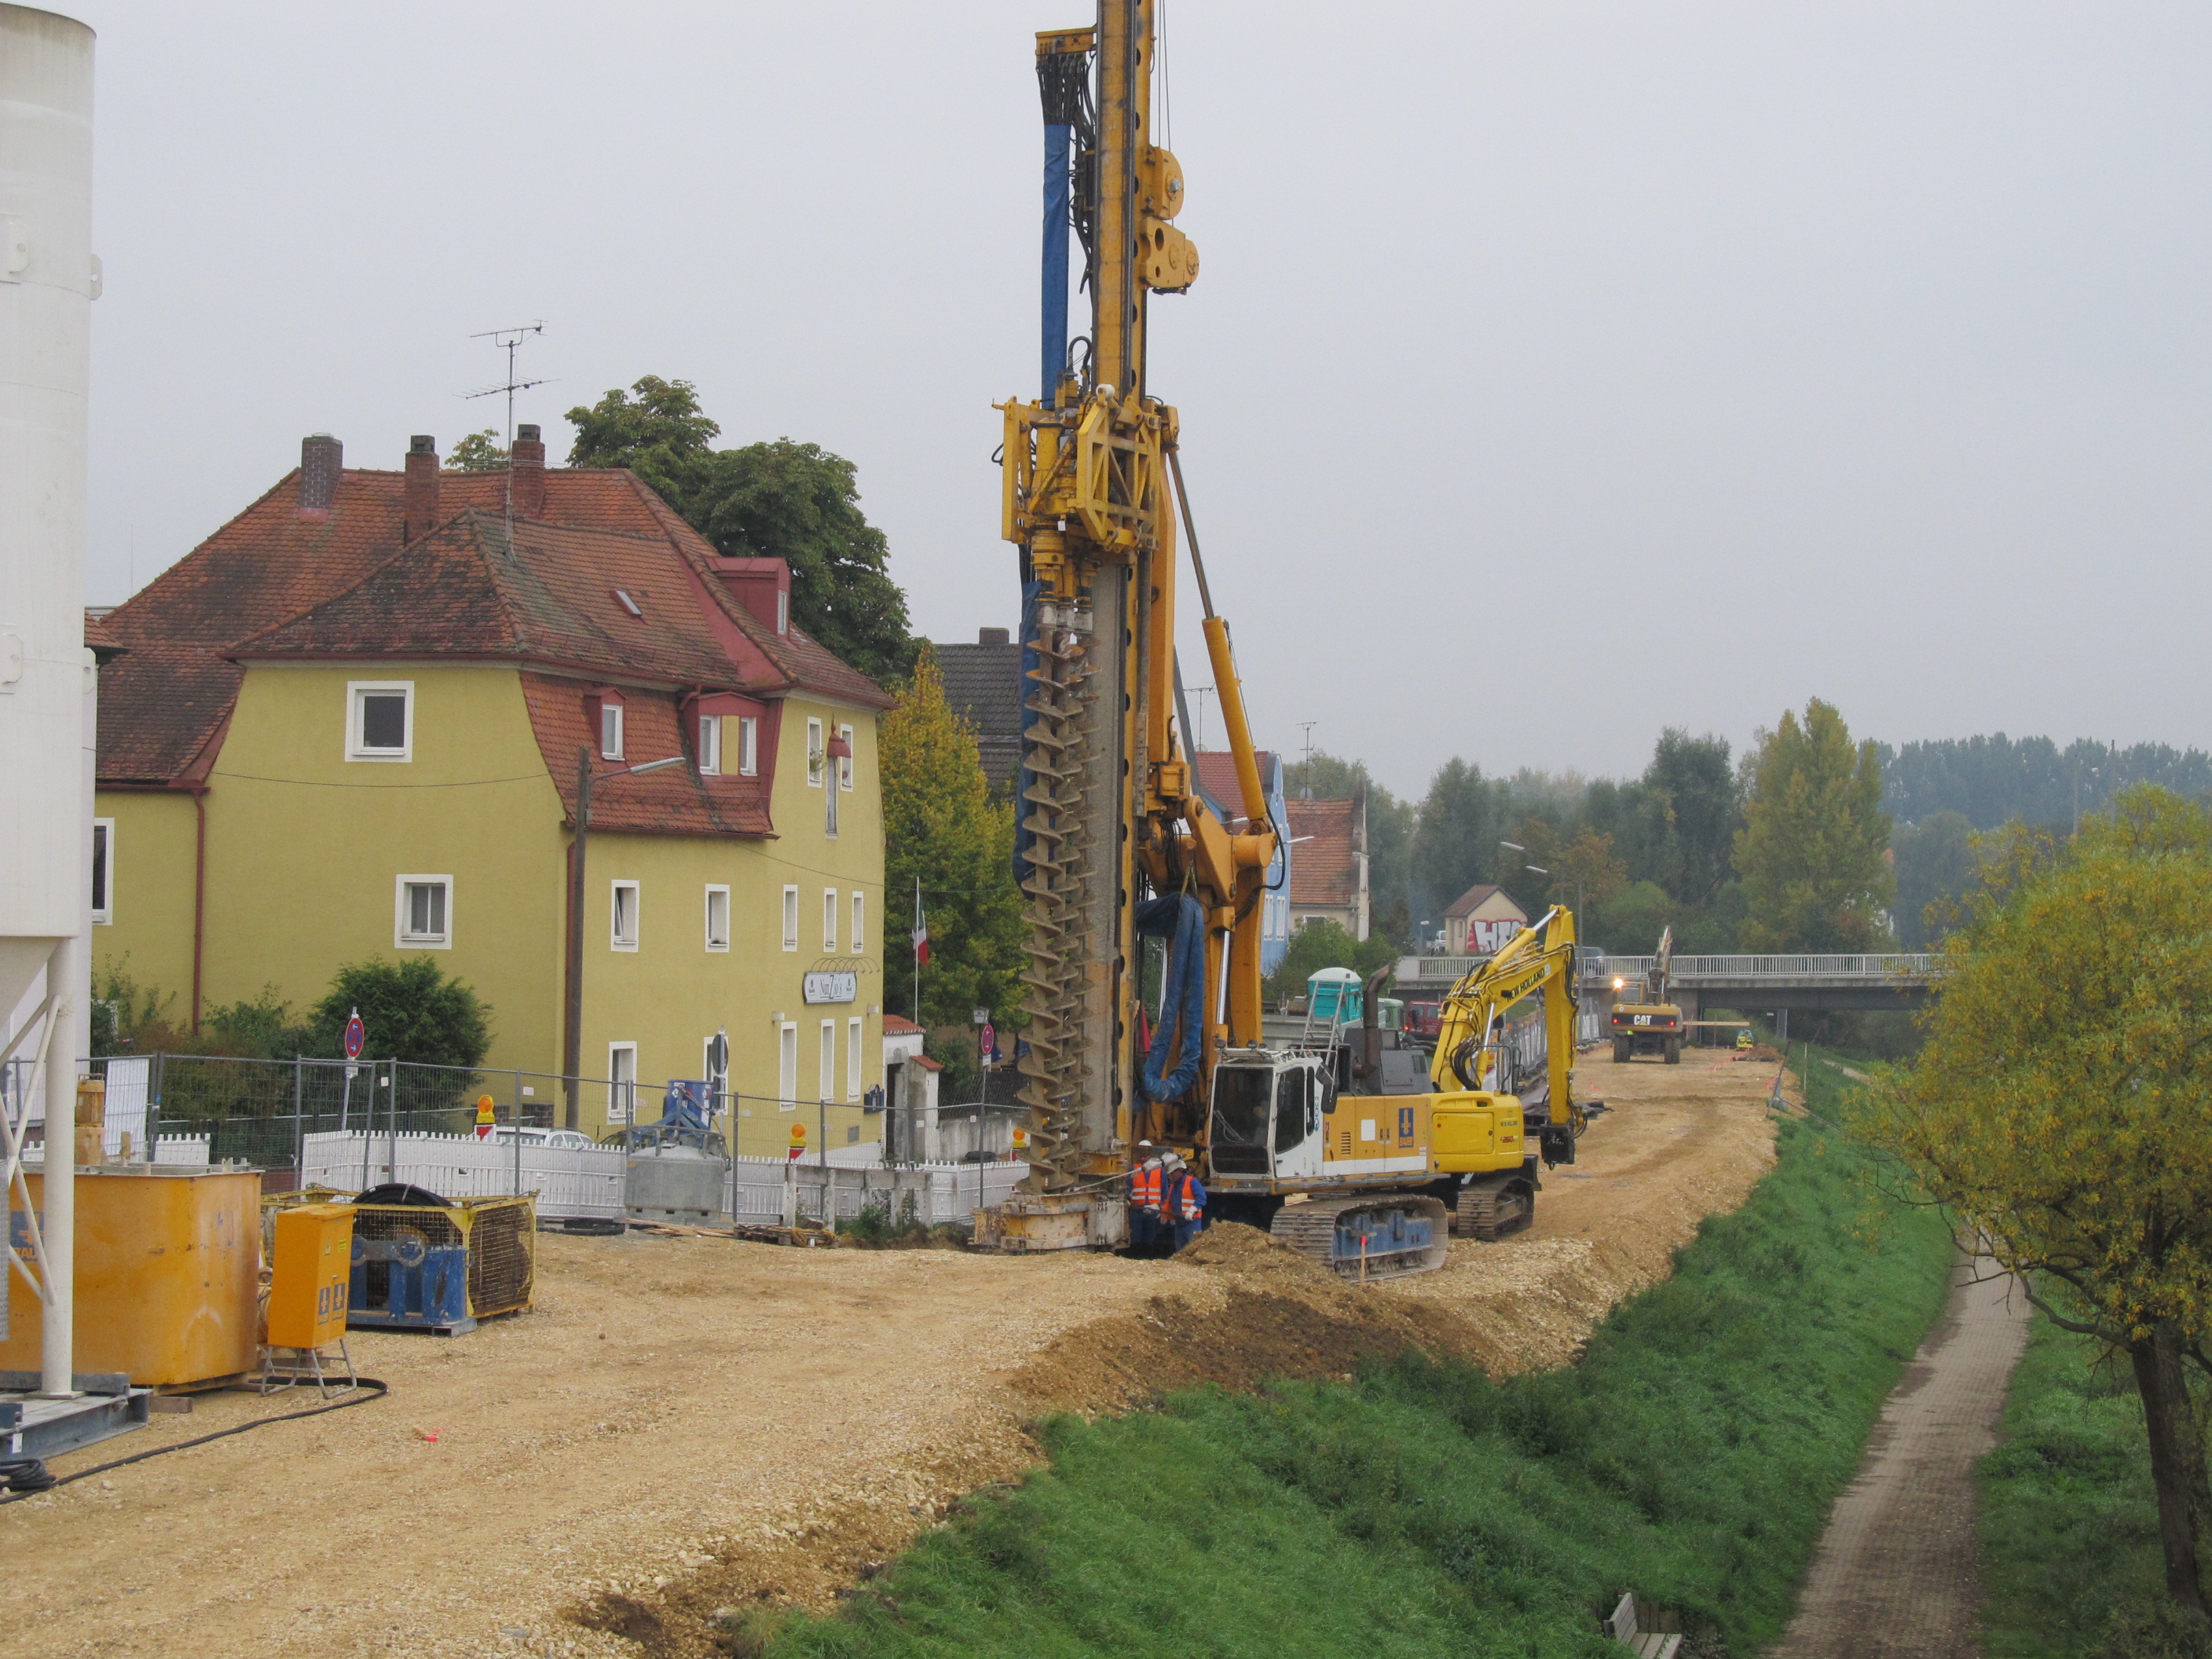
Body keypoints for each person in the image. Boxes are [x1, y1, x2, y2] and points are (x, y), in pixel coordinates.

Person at [1162, 1152, 1207, 1251]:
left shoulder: (1192, 1182)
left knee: (1193, 1250)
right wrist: (1164, 1215)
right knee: (1181, 1251)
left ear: (1180, 1171)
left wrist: (1191, 1211)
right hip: (1180, 1223)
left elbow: (1202, 1198)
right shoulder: (1174, 1186)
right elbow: (1169, 1203)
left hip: (1192, 1223)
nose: (1171, 1176)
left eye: (1173, 1173)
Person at [1126, 1142, 1163, 1252]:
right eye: (1141, 1156)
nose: (1143, 1158)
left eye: (1145, 1156)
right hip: (1137, 1210)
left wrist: (1160, 1207)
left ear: (1150, 1155)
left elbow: (1165, 1192)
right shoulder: (1133, 1169)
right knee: (1136, 1238)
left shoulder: (1159, 1171)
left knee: (1150, 1238)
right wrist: (1128, 1197)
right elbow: (1127, 1187)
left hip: (1153, 1211)